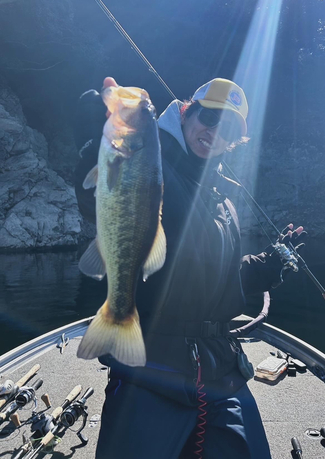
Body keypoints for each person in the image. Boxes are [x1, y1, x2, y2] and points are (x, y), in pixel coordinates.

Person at [74, 76, 306, 459]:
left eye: (227, 127)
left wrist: (266, 267)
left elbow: (214, 276)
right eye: (209, 116)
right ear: (186, 112)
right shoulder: (152, 160)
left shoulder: (222, 202)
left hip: (221, 371)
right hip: (152, 369)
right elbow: (94, 194)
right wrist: (95, 138)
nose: (213, 131)